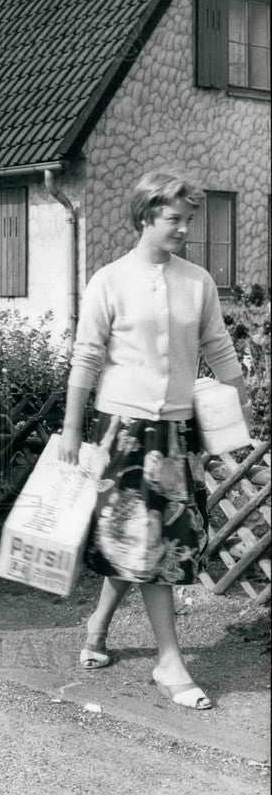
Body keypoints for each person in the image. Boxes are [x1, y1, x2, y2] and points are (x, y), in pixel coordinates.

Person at [59, 169, 252, 710]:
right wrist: (73, 429)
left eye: (190, 219)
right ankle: (169, 662)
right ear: (145, 216)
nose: (185, 229)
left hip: (176, 430)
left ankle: (97, 625)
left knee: (149, 541)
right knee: (148, 542)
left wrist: (245, 408)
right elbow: (86, 358)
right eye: (175, 218)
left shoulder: (198, 282)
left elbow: (219, 349)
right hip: (122, 429)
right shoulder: (109, 280)